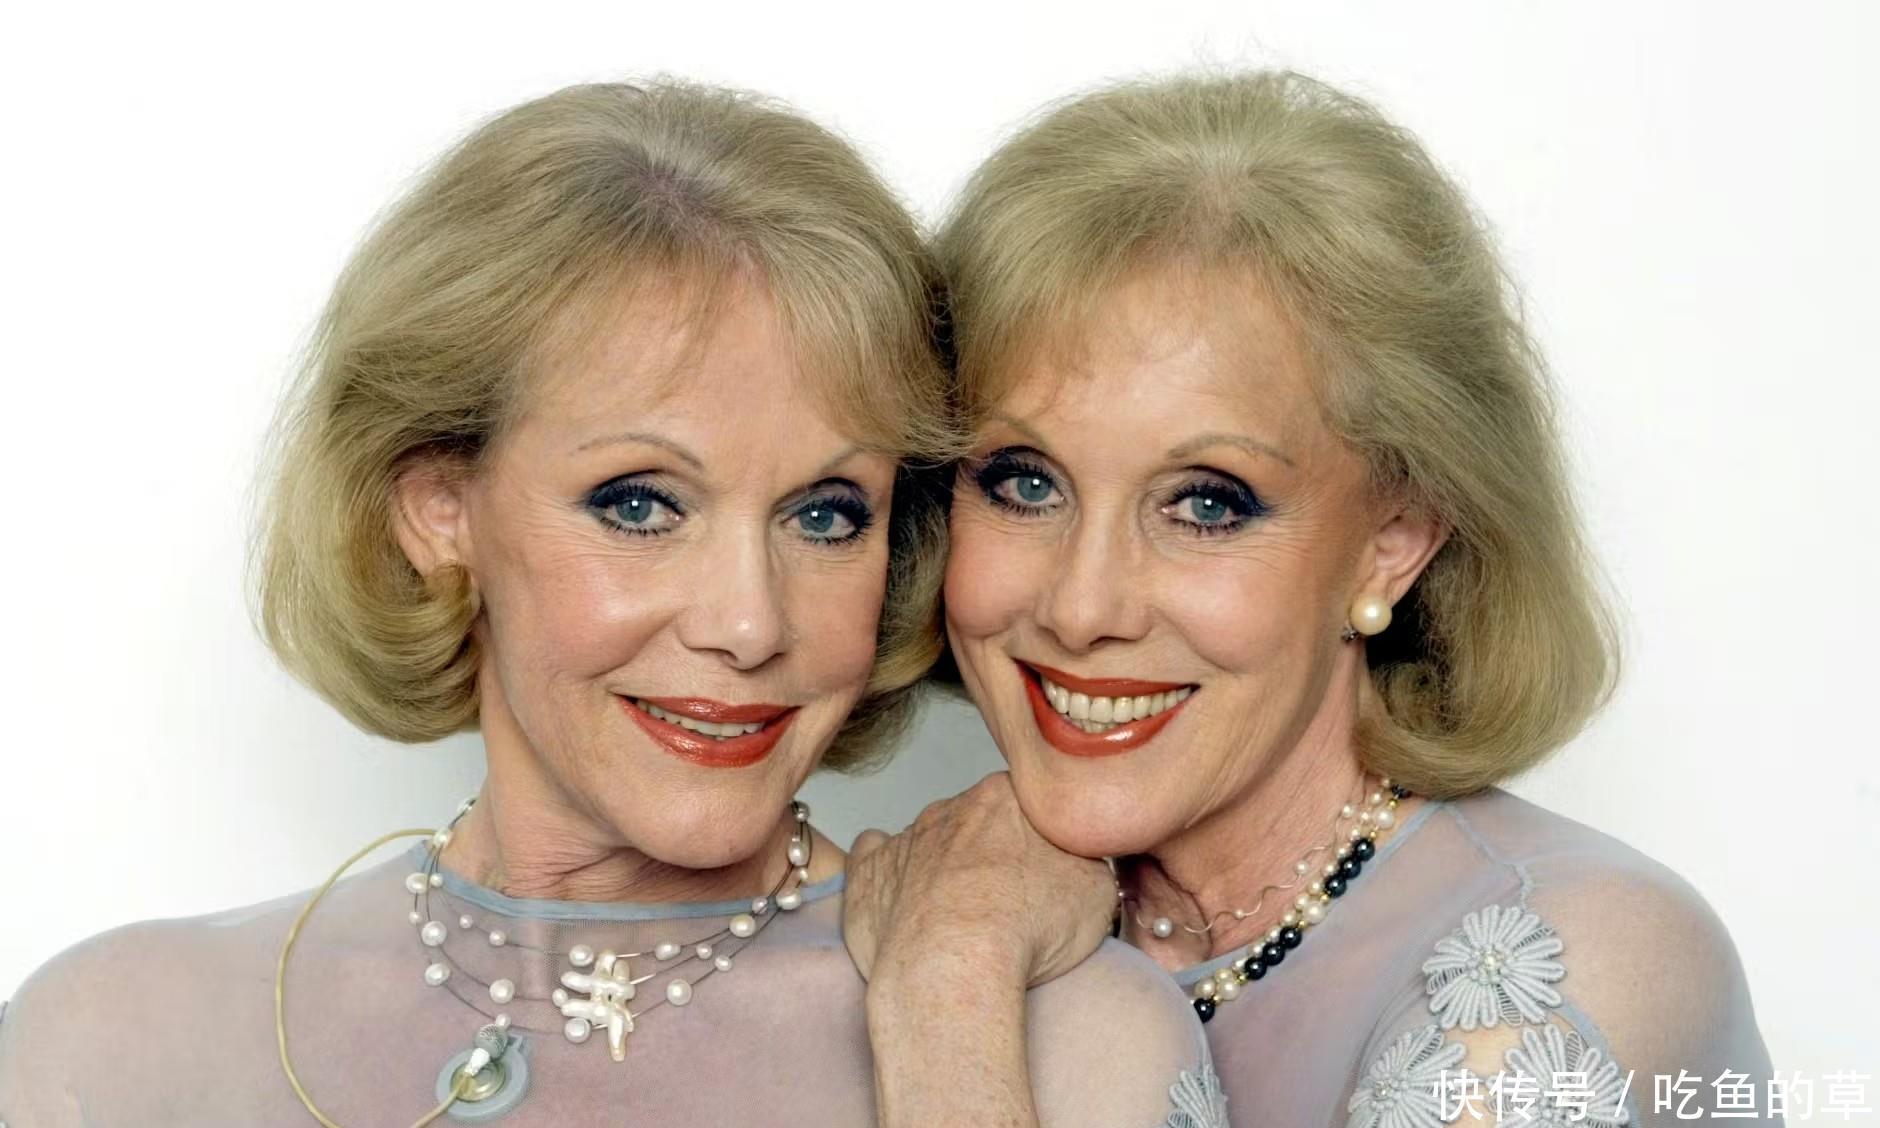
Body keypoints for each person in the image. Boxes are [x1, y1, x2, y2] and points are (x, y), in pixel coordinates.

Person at [0, 80, 1214, 1127]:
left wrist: (944, 1005)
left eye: (823, 515)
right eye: (640, 505)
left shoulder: (1062, 1037)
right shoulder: (114, 1044)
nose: (748, 625)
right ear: (438, 507)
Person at [846, 70, 1778, 1127]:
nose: (1081, 606)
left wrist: (948, 982)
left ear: (1390, 547)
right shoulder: (969, 904)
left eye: (1205, 504)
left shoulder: (1571, 957)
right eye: (1024, 483)